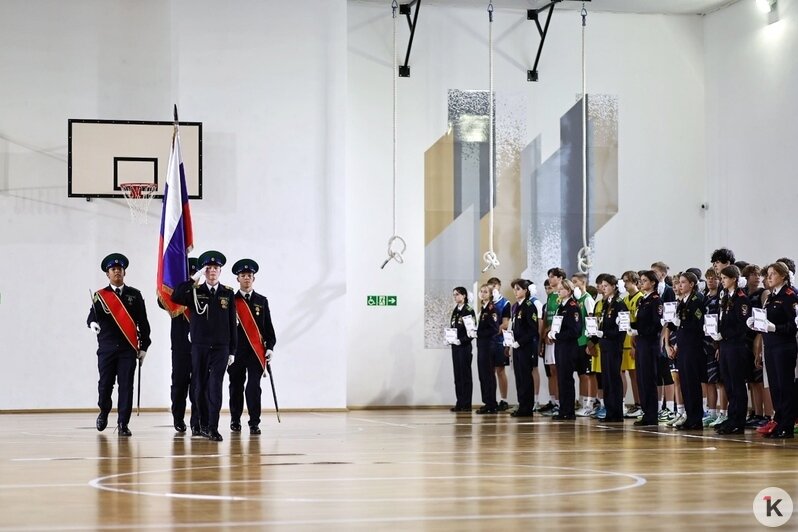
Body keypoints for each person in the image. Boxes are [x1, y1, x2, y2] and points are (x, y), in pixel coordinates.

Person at [171, 251, 237, 442]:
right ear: (204, 271)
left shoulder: (228, 293)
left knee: (215, 386)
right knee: (199, 387)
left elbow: (232, 323)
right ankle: (199, 423)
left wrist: (232, 350)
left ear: (220, 271)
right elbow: (176, 296)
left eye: (215, 268)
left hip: (221, 348)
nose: (212, 271)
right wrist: (194, 278)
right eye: (208, 269)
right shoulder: (194, 291)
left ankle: (213, 427)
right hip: (199, 346)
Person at [87, 253, 151, 436]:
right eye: (113, 269)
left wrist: (144, 346)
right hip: (107, 348)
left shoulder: (135, 295)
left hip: (127, 349)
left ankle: (123, 423)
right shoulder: (101, 296)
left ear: (124, 272)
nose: (117, 272)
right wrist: (92, 323)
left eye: (120, 269)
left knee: (126, 386)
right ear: (108, 274)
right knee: (105, 384)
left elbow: (143, 323)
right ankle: (104, 411)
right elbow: (91, 316)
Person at [748, 262, 798, 439]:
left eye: (773, 274)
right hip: (770, 346)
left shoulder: (790, 296)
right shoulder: (771, 296)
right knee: (775, 387)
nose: (768, 277)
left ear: (783, 276)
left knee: (785, 386)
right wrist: (757, 324)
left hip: (784, 346)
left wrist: (774, 328)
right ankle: (779, 420)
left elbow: (793, 326)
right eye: (767, 274)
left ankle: (787, 425)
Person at [228, 259, 277, 435]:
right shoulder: (230, 301)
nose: (246, 278)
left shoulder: (261, 301)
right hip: (236, 352)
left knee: (254, 387)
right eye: (243, 276)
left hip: (256, 352)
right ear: (237, 279)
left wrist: (270, 347)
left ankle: (254, 422)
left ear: (253, 278)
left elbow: (269, 329)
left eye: (249, 275)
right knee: (236, 386)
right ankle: (235, 420)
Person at [158, 257, 199, 434]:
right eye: (189, 273)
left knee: (199, 386)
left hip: (201, 346)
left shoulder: (205, 292)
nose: (192, 275)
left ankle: (197, 421)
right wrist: (185, 282)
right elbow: (162, 300)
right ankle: (178, 418)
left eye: (194, 272)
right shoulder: (177, 293)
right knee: (179, 384)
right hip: (181, 346)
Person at [713, 265, 751, 435]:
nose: (722, 281)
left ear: (734, 278)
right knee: (728, 383)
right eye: (721, 279)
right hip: (726, 345)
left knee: (737, 384)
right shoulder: (725, 295)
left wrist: (723, 334)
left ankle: (738, 421)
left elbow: (742, 325)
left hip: (736, 345)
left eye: (725, 278)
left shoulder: (741, 297)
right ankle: (732, 417)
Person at [670, 272, 705, 431]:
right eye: (679, 283)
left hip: (692, 346)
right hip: (683, 346)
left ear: (691, 284)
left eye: (684, 282)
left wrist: (682, 322)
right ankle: (690, 416)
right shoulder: (683, 301)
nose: (680, 285)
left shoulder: (696, 300)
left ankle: (696, 419)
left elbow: (697, 323)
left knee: (692, 383)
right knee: (685, 383)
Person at [629, 270, 663, 426]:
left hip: (650, 343)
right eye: (641, 281)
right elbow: (640, 321)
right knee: (641, 379)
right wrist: (630, 326)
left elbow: (656, 325)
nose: (641, 283)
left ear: (653, 282)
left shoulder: (656, 300)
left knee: (649, 379)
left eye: (644, 281)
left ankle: (652, 414)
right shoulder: (643, 300)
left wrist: (639, 331)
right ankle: (646, 412)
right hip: (642, 342)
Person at [593, 274, 627, 422]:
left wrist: (605, 334)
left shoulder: (620, 304)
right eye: (602, 285)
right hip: (605, 346)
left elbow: (622, 328)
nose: (603, 288)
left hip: (614, 345)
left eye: (606, 285)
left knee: (613, 378)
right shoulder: (606, 303)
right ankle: (609, 411)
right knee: (606, 379)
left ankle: (617, 412)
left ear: (614, 287)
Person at [547, 279, 582, 421]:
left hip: (568, 347)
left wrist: (558, 335)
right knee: (561, 378)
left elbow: (575, 331)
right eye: (558, 289)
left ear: (568, 290)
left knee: (566, 379)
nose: (558, 291)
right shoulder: (561, 306)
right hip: (560, 346)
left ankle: (569, 411)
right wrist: (552, 333)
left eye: (561, 289)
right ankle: (563, 409)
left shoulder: (573, 306)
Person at [509, 279, 542, 417]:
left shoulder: (529, 306)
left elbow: (532, 330)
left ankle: (527, 407)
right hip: (517, 346)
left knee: (525, 376)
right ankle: (522, 404)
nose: (515, 292)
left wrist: (520, 342)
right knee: (519, 377)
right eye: (514, 289)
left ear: (525, 290)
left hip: (526, 347)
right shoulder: (517, 306)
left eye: (518, 289)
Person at [447, 287, 476, 412]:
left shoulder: (468, 310)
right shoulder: (455, 310)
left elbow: (471, 332)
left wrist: (462, 340)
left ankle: (466, 403)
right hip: (455, 347)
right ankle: (459, 402)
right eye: (454, 295)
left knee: (465, 376)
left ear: (464, 296)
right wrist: (449, 339)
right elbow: (453, 327)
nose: (455, 297)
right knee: (457, 375)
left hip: (464, 347)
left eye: (457, 294)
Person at [476, 284, 501, 414]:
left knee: (488, 375)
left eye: (486, 292)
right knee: (483, 375)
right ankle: (487, 402)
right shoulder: (484, 308)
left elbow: (494, 329)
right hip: (482, 345)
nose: (483, 294)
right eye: (481, 291)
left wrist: (478, 333)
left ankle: (492, 403)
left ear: (491, 294)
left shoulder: (492, 309)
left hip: (488, 346)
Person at [486, 277, 511, 411]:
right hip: (488, 342)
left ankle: (504, 399)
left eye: (495, 286)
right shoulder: (487, 303)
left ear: (499, 286)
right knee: (489, 372)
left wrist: (494, 331)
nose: (493, 288)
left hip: (500, 340)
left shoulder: (505, 303)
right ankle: (491, 399)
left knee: (500, 370)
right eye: (490, 286)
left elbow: (506, 323)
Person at [621, 271, 643, 418]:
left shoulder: (640, 298)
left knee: (635, 375)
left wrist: (635, 346)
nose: (624, 284)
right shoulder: (624, 299)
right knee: (622, 373)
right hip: (624, 341)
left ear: (634, 282)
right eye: (623, 281)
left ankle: (639, 404)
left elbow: (640, 323)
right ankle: (623, 402)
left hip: (634, 342)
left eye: (627, 281)